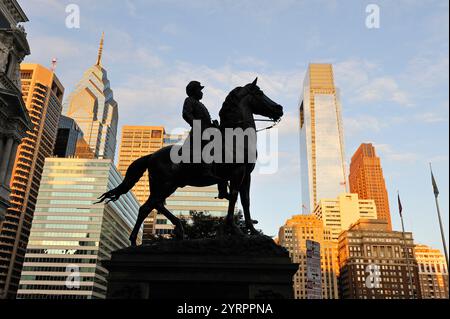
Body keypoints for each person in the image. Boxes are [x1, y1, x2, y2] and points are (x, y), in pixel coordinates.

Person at [182, 80, 229, 200]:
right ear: (194, 91)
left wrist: (213, 125)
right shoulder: (189, 101)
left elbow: (206, 121)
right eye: (199, 90)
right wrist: (198, 125)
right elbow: (186, 114)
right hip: (198, 132)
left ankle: (222, 189)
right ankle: (205, 170)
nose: (201, 92)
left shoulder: (200, 104)